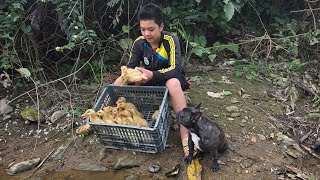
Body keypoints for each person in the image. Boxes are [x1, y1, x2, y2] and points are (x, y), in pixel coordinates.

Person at [113, 3, 192, 156]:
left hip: (169, 77)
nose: (146, 34)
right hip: (148, 77)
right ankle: (120, 123)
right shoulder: (139, 42)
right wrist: (131, 76)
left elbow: (176, 69)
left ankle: (185, 135)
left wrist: (152, 75)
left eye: (151, 29)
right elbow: (131, 66)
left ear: (161, 26)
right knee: (118, 81)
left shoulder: (171, 40)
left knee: (174, 83)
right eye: (143, 29)